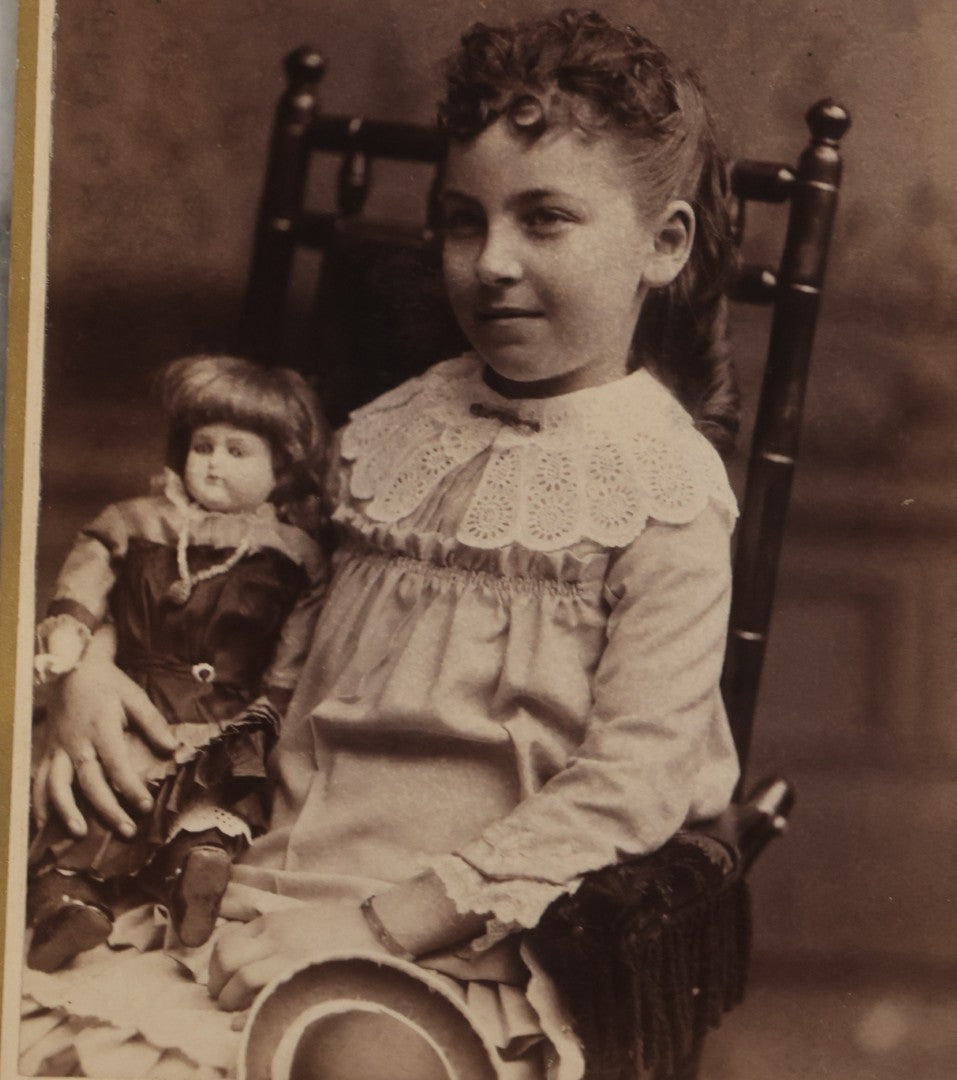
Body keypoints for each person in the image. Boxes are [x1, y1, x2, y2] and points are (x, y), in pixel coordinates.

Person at [24, 10, 742, 1078]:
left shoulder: (666, 493)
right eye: (463, 220)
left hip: (462, 935)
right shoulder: (384, 434)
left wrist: (384, 926)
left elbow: (632, 784)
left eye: (544, 220)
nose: (491, 261)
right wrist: (86, 669)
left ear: (663, 244)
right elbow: (223, 596)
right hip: (245, 882)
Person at [26, 355, 328, 971]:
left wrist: (275, 712)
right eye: (203, 446)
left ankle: (194, 873)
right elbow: (88, 574)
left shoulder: (294, 556)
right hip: (134, 695)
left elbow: (297, 647)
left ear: (281, 471)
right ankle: (70, 901)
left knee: (210, 804)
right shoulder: (137, 520)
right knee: (98, 796)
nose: (213, 462)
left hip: (227, 713)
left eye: (237, 451)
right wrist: (71, 637)